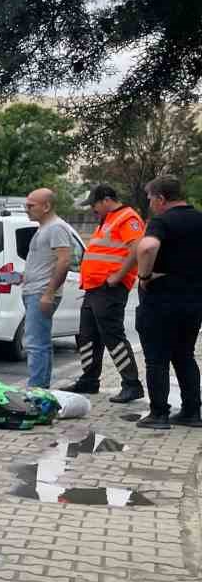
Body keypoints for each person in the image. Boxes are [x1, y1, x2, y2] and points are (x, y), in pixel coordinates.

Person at [132, 174, 202, 430]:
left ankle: (158, 414)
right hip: (193, 301)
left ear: (161, 198)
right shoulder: (199, 219)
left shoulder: (162, 221)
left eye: (151, 198)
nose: (150, 203)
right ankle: (192, 412)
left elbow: (147, 247)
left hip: (161, 300)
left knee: (157, 358)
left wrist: (144, 275)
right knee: (185, 355)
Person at [65, 183, 144, 403]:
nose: (93, 209)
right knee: (86, 335)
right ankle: (89, 380)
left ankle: (132, 384)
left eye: (95, 205)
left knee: (112, 335)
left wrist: (118, 276)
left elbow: (137, 247)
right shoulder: (107, 219)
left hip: (109, 288)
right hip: (94, 288)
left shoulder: (128, 218)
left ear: (107, 200)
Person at [20, 188, 76, 389]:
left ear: (46, 206)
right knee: (38, 343)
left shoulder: (56, 228)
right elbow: (45, 263)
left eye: (31, 205)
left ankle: (36, 390)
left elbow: (64, 261)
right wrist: (22, 277)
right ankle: (39, 388)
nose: (26, 209)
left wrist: (49, 293)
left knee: (36, 344)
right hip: (34, 291)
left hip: (41, 293)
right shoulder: (43, 228)